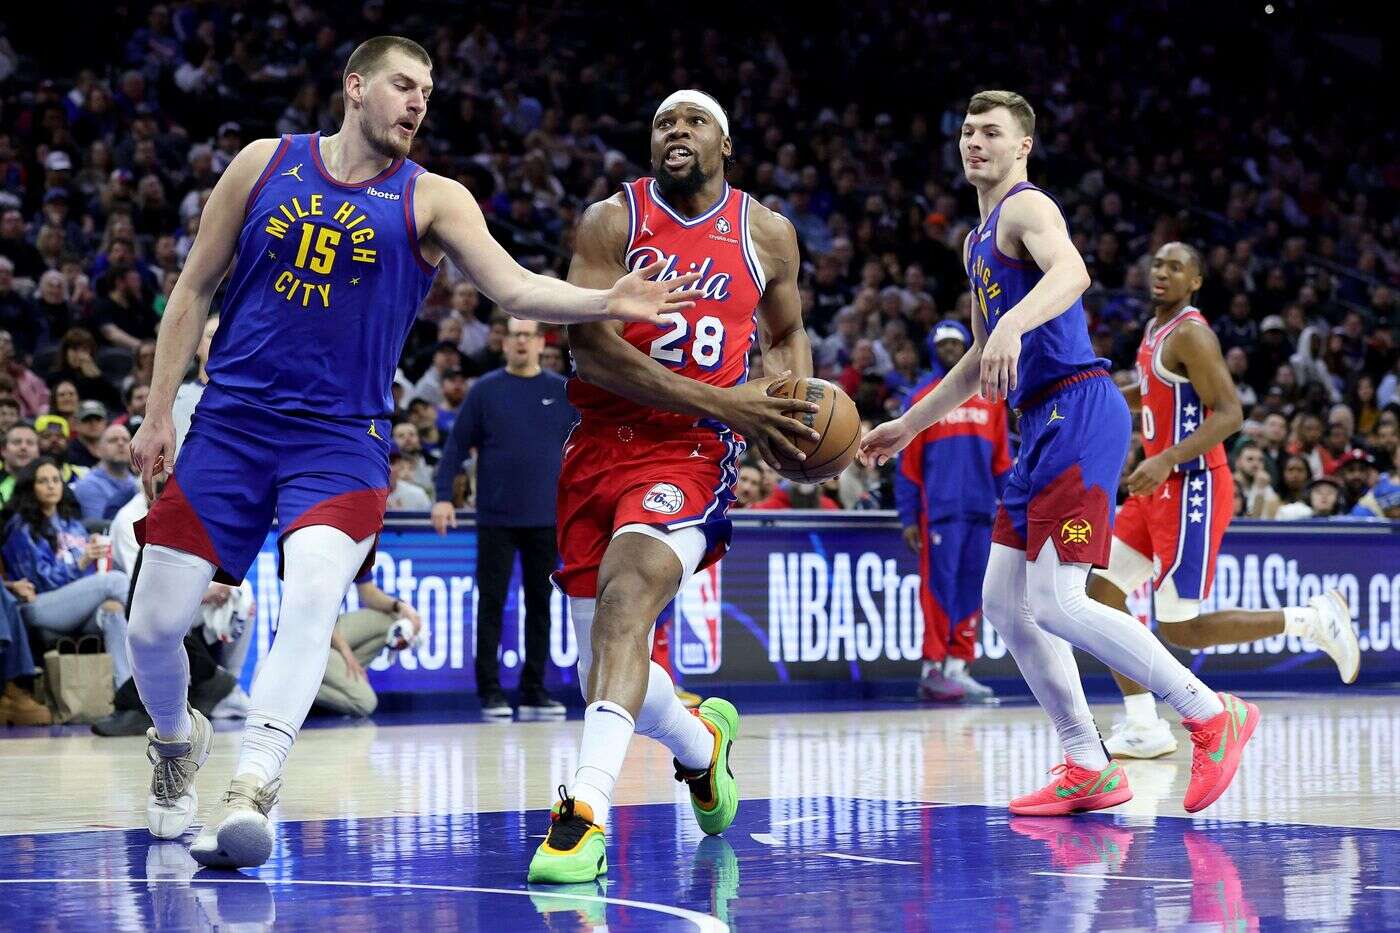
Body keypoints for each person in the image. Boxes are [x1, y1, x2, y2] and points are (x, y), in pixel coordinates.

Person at [122, 35, 703, 870]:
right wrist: (155, 415)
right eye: (404, 85)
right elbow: (192, 290)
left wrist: (603, 298)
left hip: (340, 439)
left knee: (316, 589)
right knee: (153, 628)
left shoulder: (431, 197)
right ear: (355, 87)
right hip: (231, 424)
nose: (418, 101)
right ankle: (176, 740)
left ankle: (252, 783)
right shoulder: (262, 162)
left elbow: (513, 287)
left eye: (427, 90)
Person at [861, 90, 1259, 818]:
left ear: (1023, 146)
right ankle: (1087, 762)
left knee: (1057, 599)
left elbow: (1071, 273)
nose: (975, 140)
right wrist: (909, 424)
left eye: (992, 131)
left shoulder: (1025, 207)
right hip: (1036, 421)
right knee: (1004, 606)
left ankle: (1209, 713)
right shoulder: (974, 238)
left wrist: (1013, 321)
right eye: (968, 130)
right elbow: (983, 352)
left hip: (1078, 407)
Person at [529, 89, 820, 884]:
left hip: (690, 453)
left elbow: (789, 332)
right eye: (663, 122)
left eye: (693, 122)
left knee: (627, 603)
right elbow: (590, 349)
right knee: (605, 662)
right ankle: (702, 743)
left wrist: (788, 408)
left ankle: (583, 814)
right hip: (597, 445)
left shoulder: (766, 233)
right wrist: (728, 399)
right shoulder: (610, 220)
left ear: (725, 144)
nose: (676, 132)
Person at [1086, 243, 1358, 760]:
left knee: (1180, 626)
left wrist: (1165, 459)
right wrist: (1093, 400)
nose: (1161, 272)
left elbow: (1230, 414)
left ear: (1196, 281)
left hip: (1193, 488)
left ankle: (1310, 619)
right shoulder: (1153, 330)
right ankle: (1144, 728)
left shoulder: (1192, 332)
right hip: (1154, 491)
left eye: (1176, 267)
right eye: (1157, 264)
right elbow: (1150, 391)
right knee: (1102, 596)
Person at [432, 317, 575, 720]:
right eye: (515, 336)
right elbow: (456, 447)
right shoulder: (485, 391)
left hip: (546, 518)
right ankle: (490, 690)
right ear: (505, 343)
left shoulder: (561, 392)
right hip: (495, 517)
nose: (522, 342)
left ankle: (534, 689)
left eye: (528, 335)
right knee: (491, 604)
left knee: (540, 606)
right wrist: (444, 497)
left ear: (540, 341)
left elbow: (583, 451)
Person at [896, 319, 1010, 702]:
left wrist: (1010, 509)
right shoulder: (922, 399)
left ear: (966, 348)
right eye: (942, 344)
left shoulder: (991, 399)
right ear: (932, 348)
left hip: (980, 512)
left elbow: (1001, 462)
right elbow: (908, 466)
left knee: (971, 591)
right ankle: (932, 666)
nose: (948, 349)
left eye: (955, 343)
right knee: (937, 592)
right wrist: (909, 517)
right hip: (939, 514)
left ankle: (959, 668)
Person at [0, 460, 131, 690]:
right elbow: (40, 581)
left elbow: (89, 577)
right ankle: (162, 629)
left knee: (113, 610)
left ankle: (127, 695)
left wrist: (93, 560)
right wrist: (82, 561)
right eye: (43, 481)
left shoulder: (73, 525)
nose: (51, 486)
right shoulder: (21, 529)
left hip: (76, 606)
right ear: (31, 487)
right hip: (40, 606)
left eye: (55, 480)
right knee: (116, 581)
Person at [316, 573, 423, 718]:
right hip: (305, 637)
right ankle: (297, 688)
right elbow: (313, 614)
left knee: (392, 621)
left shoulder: (362, 551)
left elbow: (368, 593)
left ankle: (338, 675)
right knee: (365, 703)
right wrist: (345, 652)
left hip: (330, 627)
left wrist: (401, 606)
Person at [69, 422, 137, 520]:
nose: (120, 443)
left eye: (126, 440)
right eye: (113, 440)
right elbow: (101, 527)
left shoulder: (137, 482)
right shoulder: (88, 485)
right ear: (98, 450)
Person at [0, 422, 40, 504]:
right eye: (17, 442)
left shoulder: (49, 486)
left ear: (38, 452)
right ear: (3, 450)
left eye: (30, 443)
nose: (23, 447)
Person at [67, 401, 110, 470]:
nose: (93, 423)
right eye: (87, 419)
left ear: (105, 423)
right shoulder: (68, 452)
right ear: (76, 424)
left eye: (98, 419)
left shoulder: (113, 449)